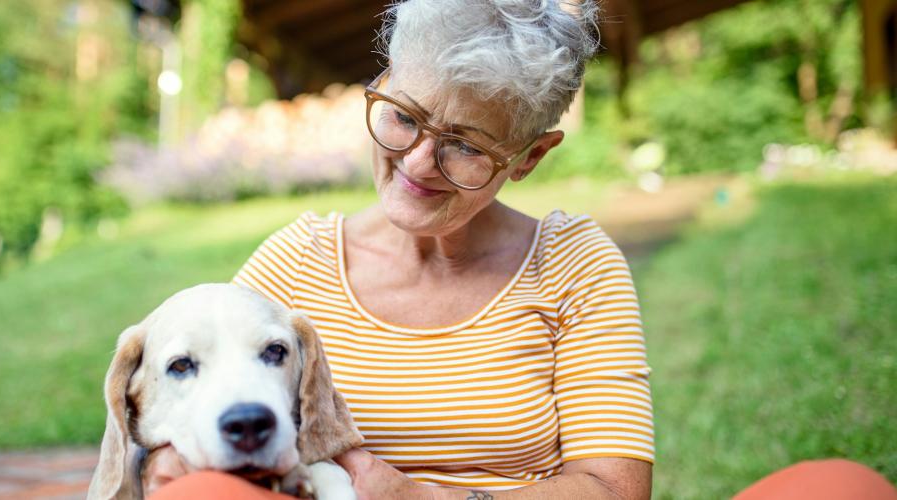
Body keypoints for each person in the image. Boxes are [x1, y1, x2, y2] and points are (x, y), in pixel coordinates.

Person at [143, 1, 897, 499]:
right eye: (402, 117)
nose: (415, 165)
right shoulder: (291, 266)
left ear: (530, 157)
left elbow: (610, 487)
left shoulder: (573, 263)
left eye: (464, 147)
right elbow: (180, 423)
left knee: (840, 489)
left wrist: (417, 497)